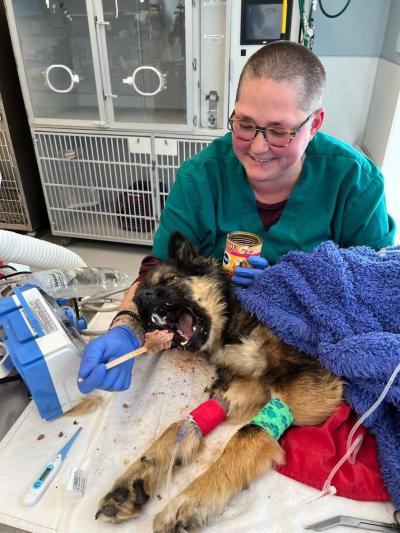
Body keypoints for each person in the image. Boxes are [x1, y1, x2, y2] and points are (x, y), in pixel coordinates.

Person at [77, 40, 395, 394]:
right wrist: (126, 327)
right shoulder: (200, 179)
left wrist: (292, 285)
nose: (258, 148)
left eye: (279, 131)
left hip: (310, 360)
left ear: (314, 122)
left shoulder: (355, 182)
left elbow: (376, 288)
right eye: (244, 125)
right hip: (216, 354)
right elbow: (157, 271)